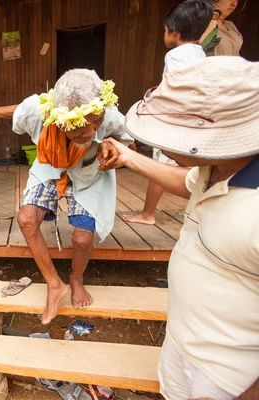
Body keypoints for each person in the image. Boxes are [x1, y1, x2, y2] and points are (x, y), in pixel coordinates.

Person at [103, 56, 258, 400]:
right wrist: (129, 157)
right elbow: (185, 181)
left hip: (231, 378)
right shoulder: (215, 169)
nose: (169, 144)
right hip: (182, 342)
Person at [0, 69, 134, 324]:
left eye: (84, 135)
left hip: (89, 172)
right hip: (51, 165)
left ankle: (76, 279)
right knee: (27, 218)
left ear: (97, 120)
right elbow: (17, 110)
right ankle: (55, 284)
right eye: (71, 134)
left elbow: (130, 147)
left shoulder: (111, 118)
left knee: (82, 238)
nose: (77, 138)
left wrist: (115, 156)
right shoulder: (43, 109)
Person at [123, 0, 212, 225]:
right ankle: (199, 213)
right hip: (197, 122)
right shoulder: (201, 54)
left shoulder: (175, 55)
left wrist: (153, 98)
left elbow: (174, 88)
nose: (165, 35)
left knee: (160, 169)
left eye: (165, 30)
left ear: (174, 32)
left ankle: (148, 214)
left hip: (176, 122)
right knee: (197, 170)